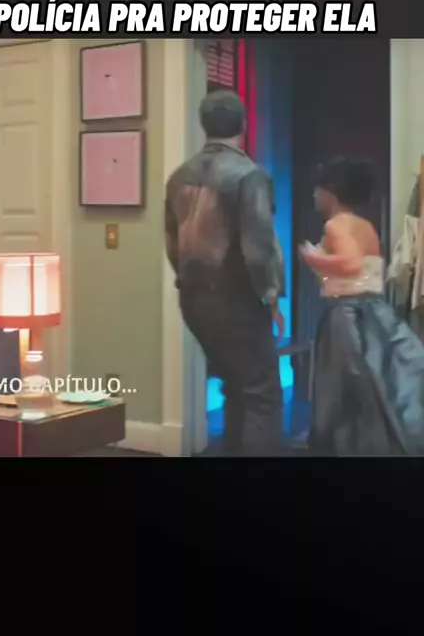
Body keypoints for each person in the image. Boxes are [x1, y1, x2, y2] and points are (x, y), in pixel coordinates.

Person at [164, 89, 285, 456]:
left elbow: (172, 242)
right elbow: (258, 248)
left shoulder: (178, 177)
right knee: (262, 393)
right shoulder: (249, 175)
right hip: (236, 301)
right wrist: (271, 296)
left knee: (236, 385)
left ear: (204, 126)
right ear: (243, 125)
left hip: (193, 300)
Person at [301, 156, 424, 456]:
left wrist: (313, 258)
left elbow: (351, 262)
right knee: (378, 390)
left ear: (331, 192)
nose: (314, 195)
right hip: (376, 312)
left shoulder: (335, 225)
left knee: (345, 394)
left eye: (318, 189)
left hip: (347, 317)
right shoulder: (366, 226)